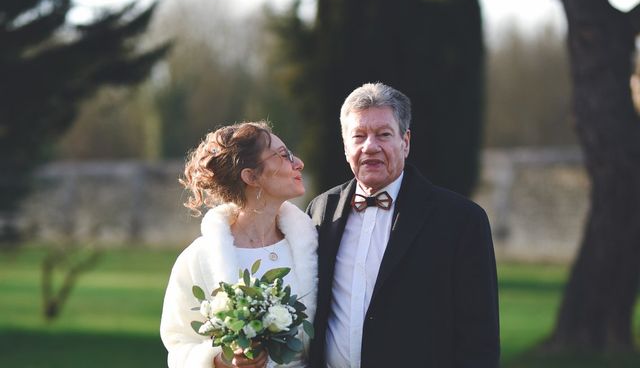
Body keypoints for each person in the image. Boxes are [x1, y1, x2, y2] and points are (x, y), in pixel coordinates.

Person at [307, 82, 500, 368]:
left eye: (383, 134)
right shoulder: (321, 210)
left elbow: (480, 338)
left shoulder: (461, 220)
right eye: (358, 136)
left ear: (405, 142)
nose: (370, 146)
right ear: (346, 145)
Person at [160, 121, 318, 368]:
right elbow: (178, 343)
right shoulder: (199, 258)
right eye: (283, 155)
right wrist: (222, 360)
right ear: (251, 176)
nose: (298, 163)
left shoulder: (313, 247)